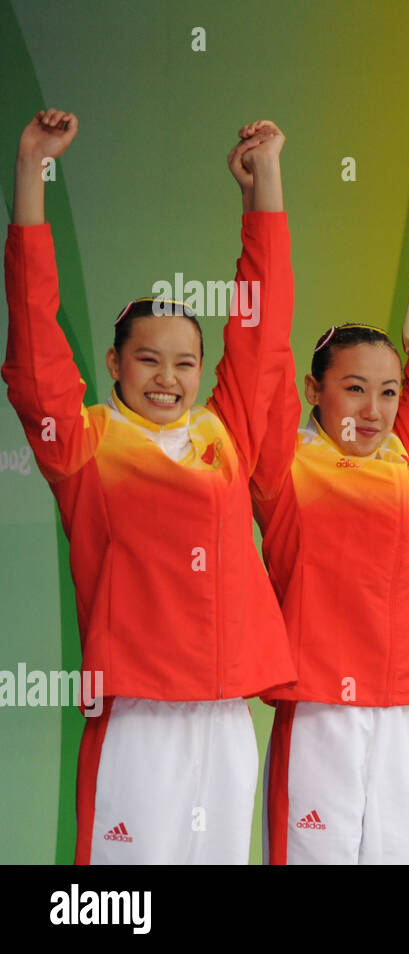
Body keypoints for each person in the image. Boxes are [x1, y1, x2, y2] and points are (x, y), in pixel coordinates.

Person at [2, 110, 295, 863]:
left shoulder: (224, 435)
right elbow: (35, 349)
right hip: (138, 715)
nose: (168, 378)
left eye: (185, 363)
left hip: (226, 713)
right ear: (113, 362)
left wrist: (264, 191)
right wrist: (32, 173)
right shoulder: (86, 445)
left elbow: (261, 334)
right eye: (148, 361)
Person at [255, 139, 409, 864]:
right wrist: (264, 187)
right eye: (354, 387)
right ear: (313, 391)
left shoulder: (403, 459)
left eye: (389, 391)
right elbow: (260, 345)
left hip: (399, 711)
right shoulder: (283, 466)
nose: (376, 407)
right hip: (320, 707)